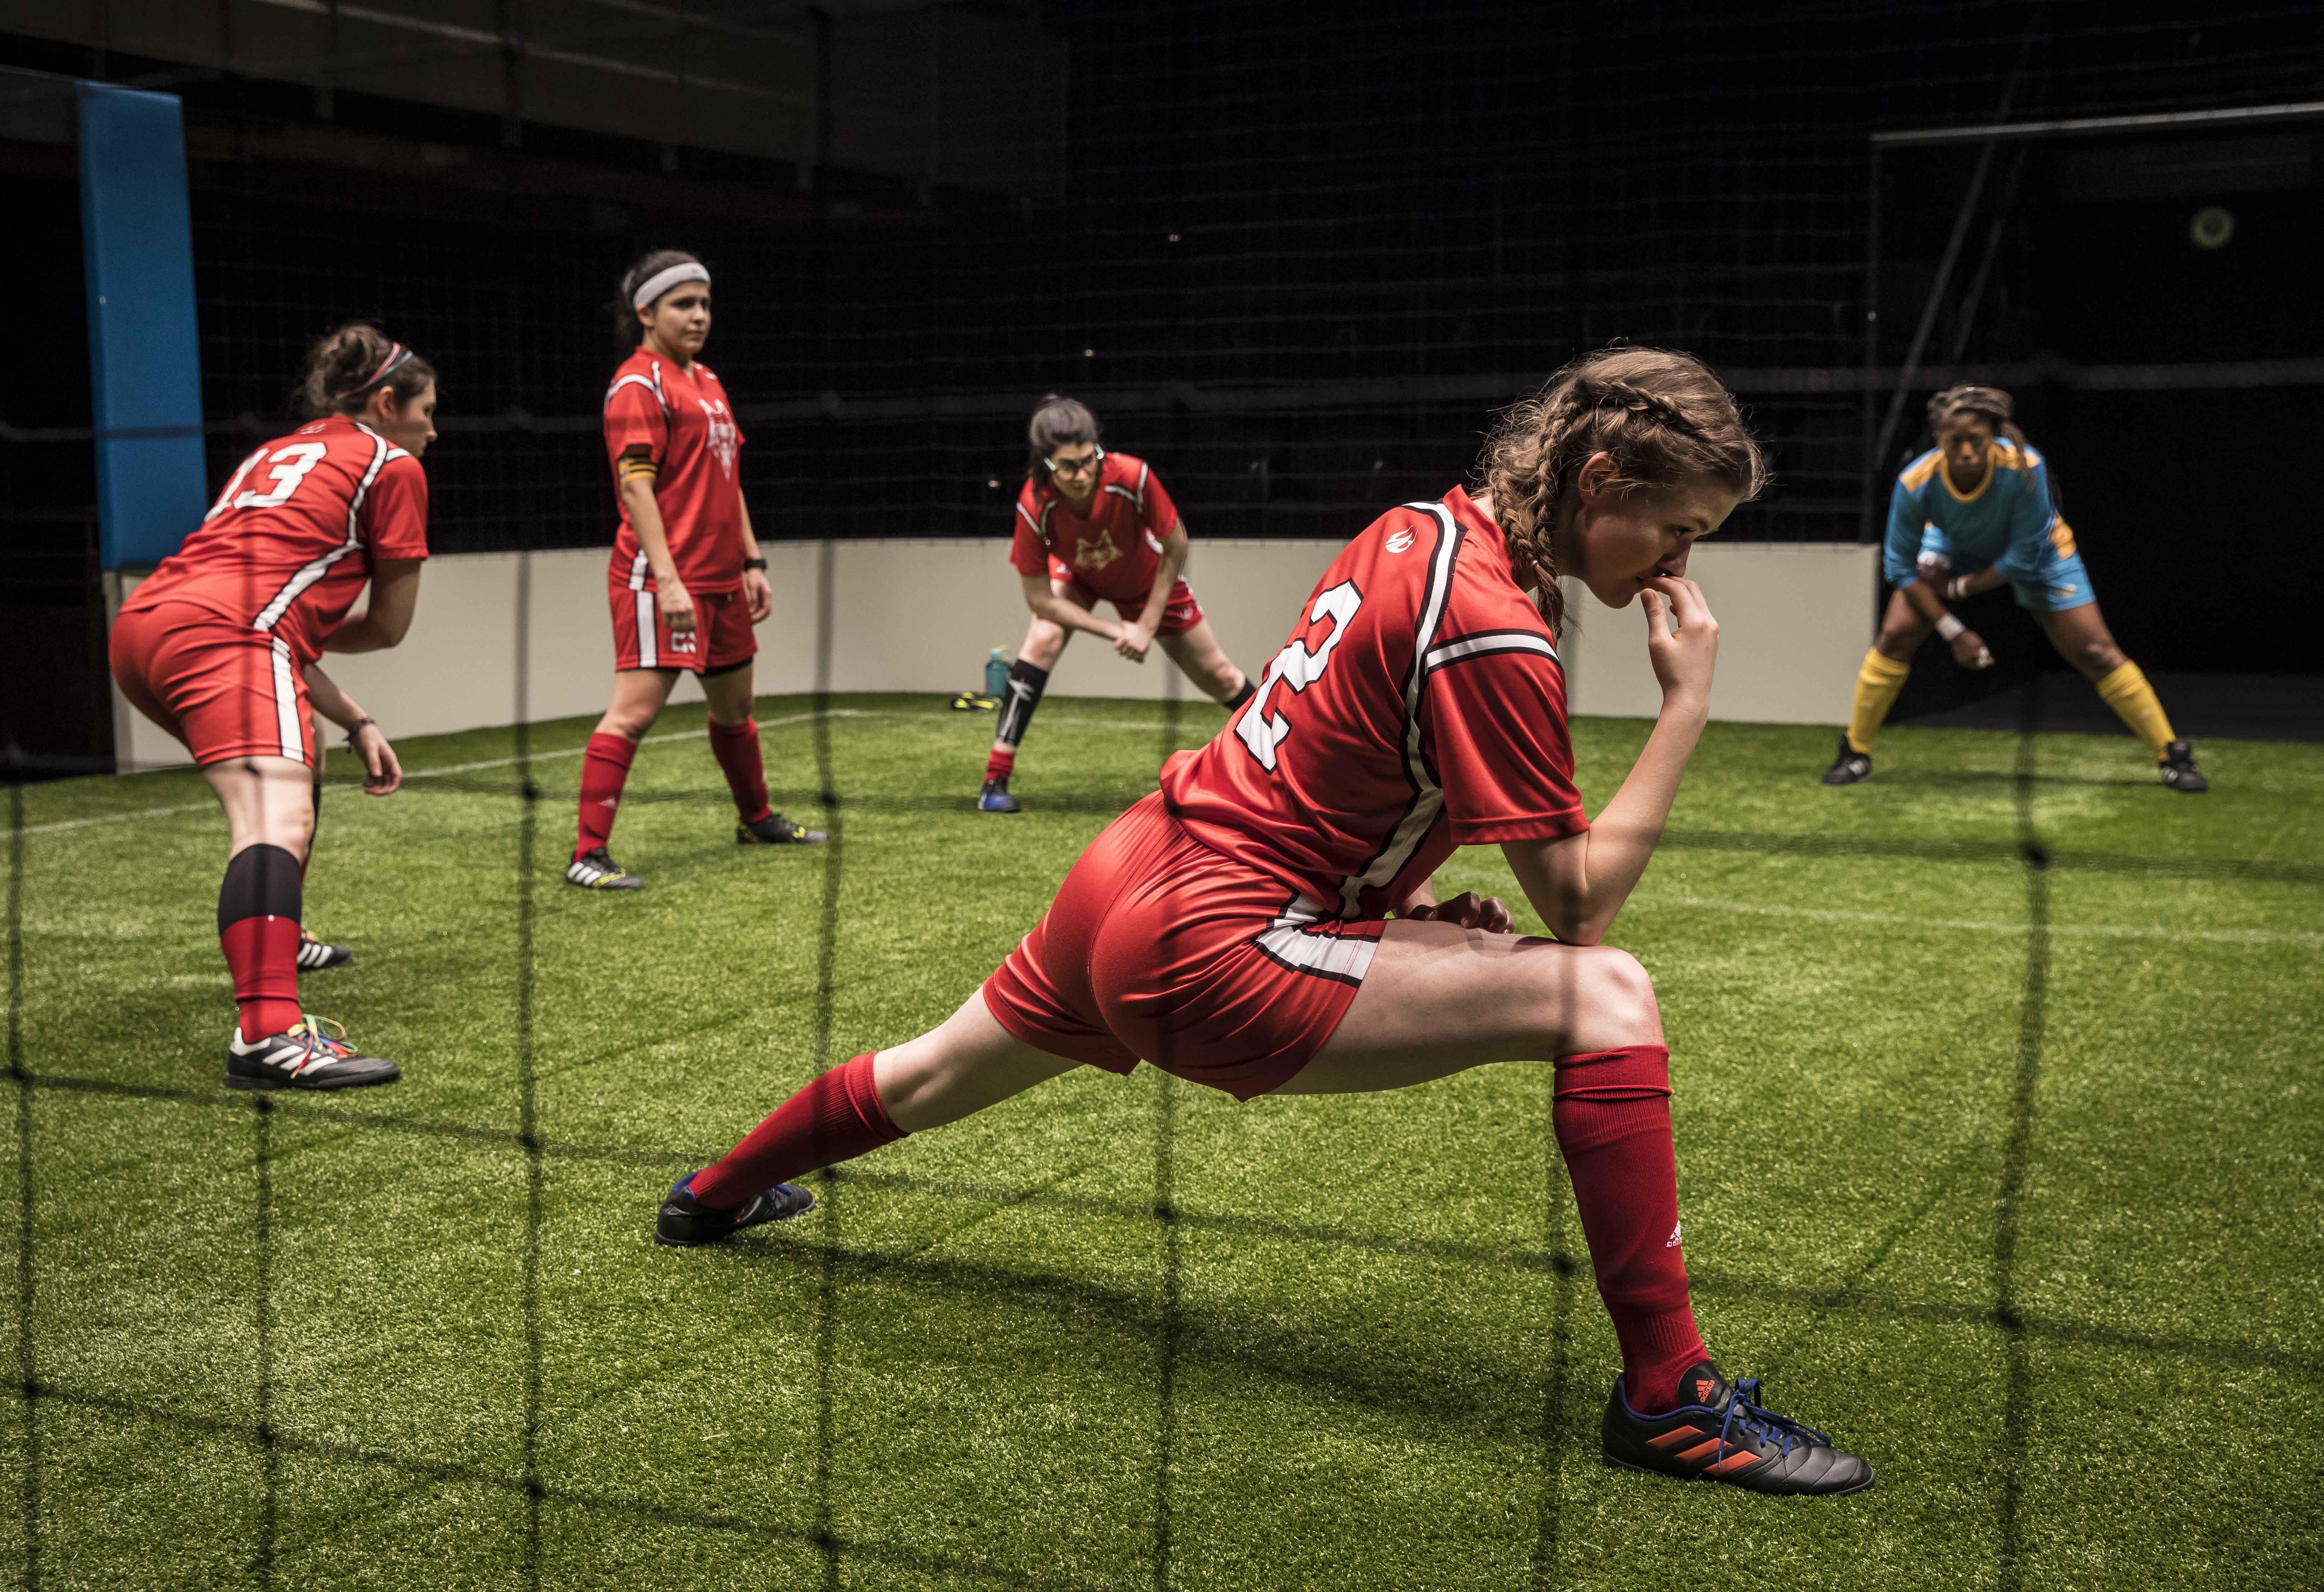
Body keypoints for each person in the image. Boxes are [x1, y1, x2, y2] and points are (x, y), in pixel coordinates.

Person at [659, 348, 1875, 1496]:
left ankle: (714, 1192)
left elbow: (1342, 760)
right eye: (1680, 529)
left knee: (926, 1076)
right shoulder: (1499, 621)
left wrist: (1391, 906)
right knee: (1605, 991)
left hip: (1132, 876)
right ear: (1599, 479)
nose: (1680, 564)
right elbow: (1583, 901)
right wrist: (1687, 705)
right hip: (1212, 948)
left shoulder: (1416, 527)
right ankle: (1672, 1396)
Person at [109, 324, 431, 1090]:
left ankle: (280, 944)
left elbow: (269, 620)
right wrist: (313, 640)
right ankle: (268, 1033)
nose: (433, 427)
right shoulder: (392, 464)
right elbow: (387, 627)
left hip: (142, 625)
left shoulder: (273, 453)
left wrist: (354, 715)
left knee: (297, 755)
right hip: (227, 636)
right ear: (387, 402)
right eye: (426, 409)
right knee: (274, 817)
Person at [566, 249, 824, 891]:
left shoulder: (707, 381)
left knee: (736, 707)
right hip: (661, 582)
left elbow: (727, 477)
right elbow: (635, 489)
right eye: (684, 304)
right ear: (645, 312)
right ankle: (587, 855)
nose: (699, 315)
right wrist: (670, 579)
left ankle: (756, 817)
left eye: (705, 303)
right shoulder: (637, 385)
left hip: (721, 582)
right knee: (634, 714)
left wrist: (752, 560)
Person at [1823, 384, 2206, 791]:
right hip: (1956, 547)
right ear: (1938, 440)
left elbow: (2024, 557)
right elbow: (1900, 568)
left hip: (2040, 554)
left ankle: (2171, 754)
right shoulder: (1916, 483)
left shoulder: (2026, 468)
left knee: (2095, 651)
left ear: (1995, 438)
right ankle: (1856, 750)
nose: (1968, 452)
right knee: (1896, 633)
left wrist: (1956, 590)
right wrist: (1956, 631)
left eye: (1978, 440)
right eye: (1956, 442)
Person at [978, 396, 1256, 813]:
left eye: (1090, 459)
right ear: (1045, 465)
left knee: (1221, 676)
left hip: (1148, 581)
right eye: (1069, 466)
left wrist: (1145, 624)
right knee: (1042, 638)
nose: (1083, 473)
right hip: (1080, 577)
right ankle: (994, 781)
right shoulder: (1035, 503)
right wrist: (1116, 631)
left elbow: (1176, 544)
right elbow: (1040, 600)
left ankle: (1288, 763)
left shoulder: (1132, 477)